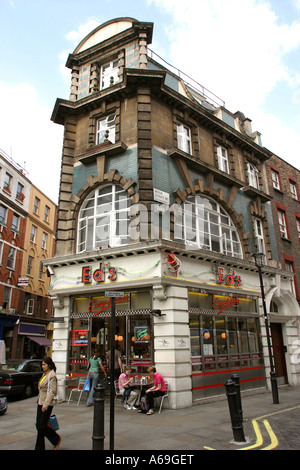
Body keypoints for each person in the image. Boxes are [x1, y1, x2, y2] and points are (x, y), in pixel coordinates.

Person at [35, 357, 62, 451]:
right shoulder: (44, 374)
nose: (42, 366)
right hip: (40, 401)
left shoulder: (52, 376)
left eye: (44, 365)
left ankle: (55, 440)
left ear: (49, 365)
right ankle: (54, 440)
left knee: (42, 426)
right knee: (39, 425)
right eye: (42, 365)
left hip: (46, 404)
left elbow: (51, 392)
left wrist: (45, 405)